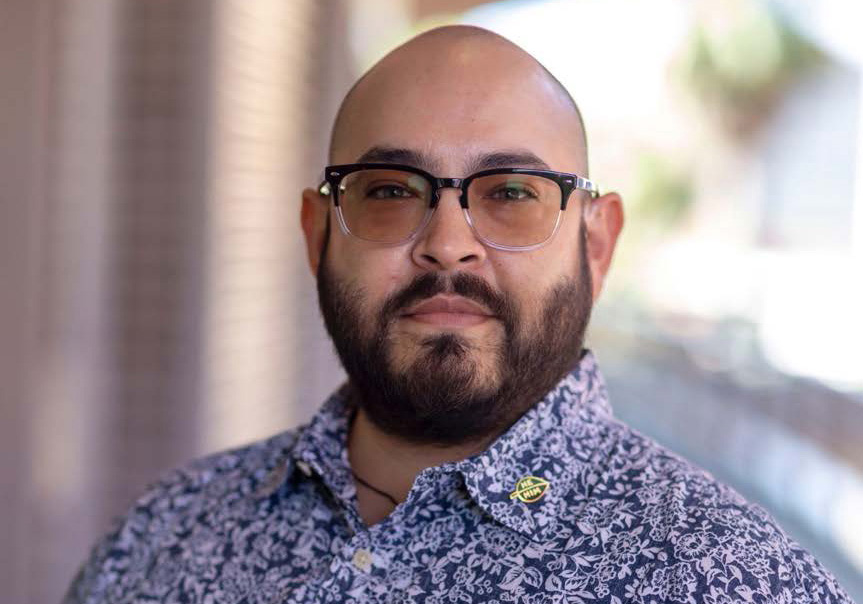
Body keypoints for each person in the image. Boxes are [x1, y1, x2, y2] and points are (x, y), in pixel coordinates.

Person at [64, 25, 854, 604]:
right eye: (389, 191)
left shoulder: (735, 581)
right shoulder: (160, 535)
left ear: (598, 245)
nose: (447, 245)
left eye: (510, 193)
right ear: (316, 234)